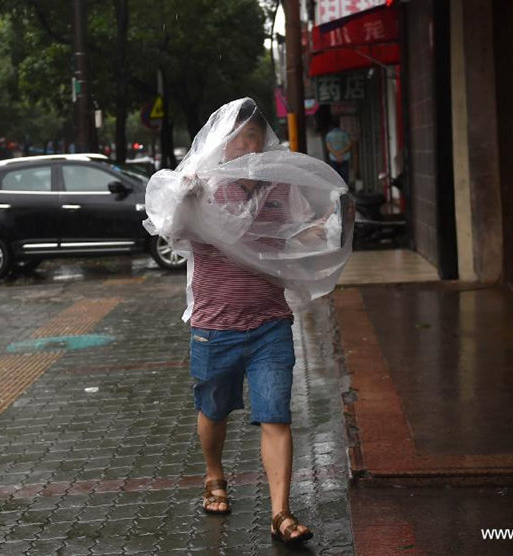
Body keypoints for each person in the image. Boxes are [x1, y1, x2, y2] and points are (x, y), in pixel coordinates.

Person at [182, 101, 314, 546]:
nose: (245, 144)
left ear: (264, 142)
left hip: (270, 324)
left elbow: (300, 235)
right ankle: (214, 475)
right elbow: (169, 227)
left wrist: (329, 230)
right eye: (236, 137)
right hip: (214, 327)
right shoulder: (201, 190)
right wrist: (183, 195)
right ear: (221, 145)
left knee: (276, 414)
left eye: (253, 137)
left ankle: (281, 513)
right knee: (213, 410)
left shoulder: (279, 188)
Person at [325, 120, 352, 185]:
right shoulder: (344, 133)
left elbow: (328, 146)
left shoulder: (329, 135)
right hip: (344, 157)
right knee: (344, 176)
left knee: (335, 176)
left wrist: (336, 154)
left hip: (333, 158)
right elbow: (349, 145)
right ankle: (345, 190)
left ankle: (338, 190)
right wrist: (340, 153)